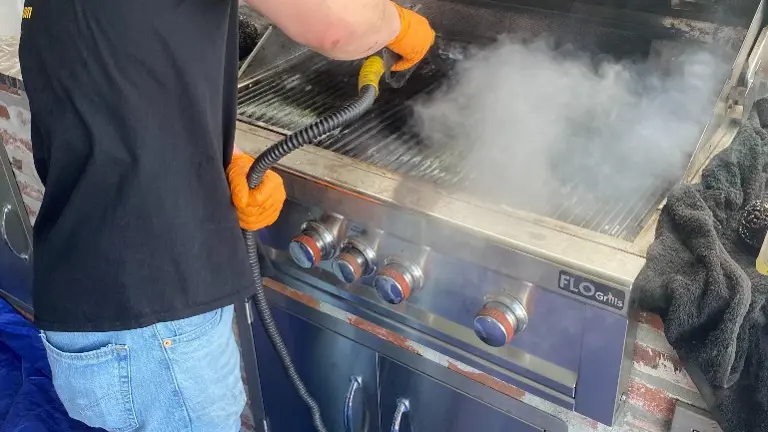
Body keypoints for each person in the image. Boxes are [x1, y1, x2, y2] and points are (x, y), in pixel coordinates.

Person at [18, 0, 434, 430]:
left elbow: (113, 86)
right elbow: (339, 24)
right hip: (156, 331)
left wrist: (223, 158)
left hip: (102, 310)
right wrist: (397, 23)